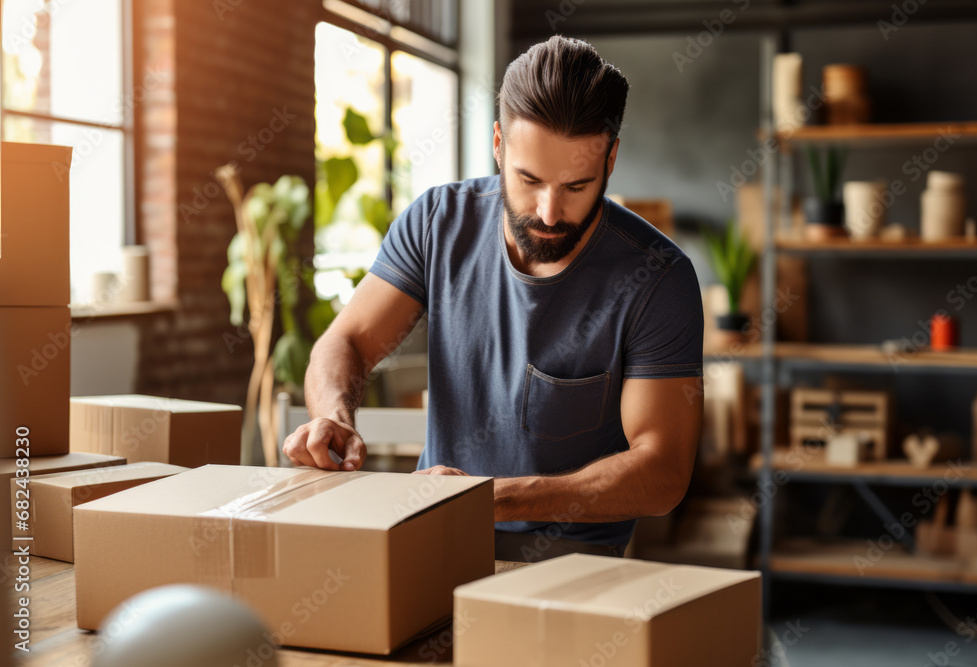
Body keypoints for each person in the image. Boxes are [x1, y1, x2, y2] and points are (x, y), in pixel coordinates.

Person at [283, 35, 704, 562]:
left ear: (611, 157)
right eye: (529, 180)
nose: (549, 212)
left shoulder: (658, 279)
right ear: (499, 144)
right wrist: (334, 416)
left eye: (576, 186)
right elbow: (347, 339)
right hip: (431, 537)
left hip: (573, 564)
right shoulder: (438, 223)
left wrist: (493, 499)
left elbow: (662, 473)